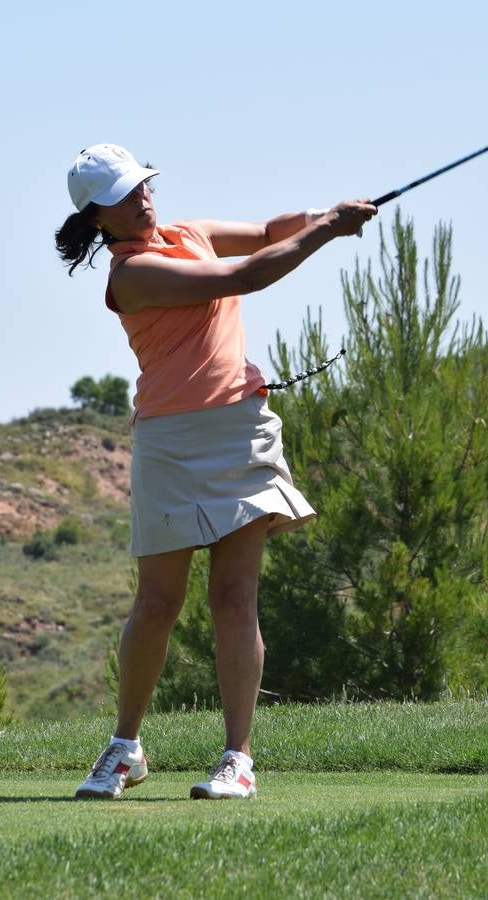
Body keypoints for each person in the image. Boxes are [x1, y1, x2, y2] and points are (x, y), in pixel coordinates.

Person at [54, 143, 376, 800]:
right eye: (124, 194)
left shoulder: (189, 234)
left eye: (142, 184)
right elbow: (245, 276)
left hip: (238, 430)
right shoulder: (133, 275)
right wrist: (328, 232)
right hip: (171, 443)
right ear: (98, 218)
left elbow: (262, 234)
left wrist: (325, 214)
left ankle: (237, 759)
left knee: (234, 599)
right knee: (157, 604)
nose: (143, 196)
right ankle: (126, 747)